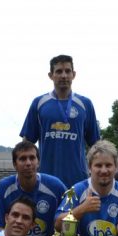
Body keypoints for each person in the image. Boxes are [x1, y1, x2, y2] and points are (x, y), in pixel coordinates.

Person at [20, 54, 100, 187]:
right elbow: (26, 144)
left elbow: (96, 145)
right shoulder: (39, 103)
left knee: (75, 209)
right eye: (59, 71)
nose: (64, 75)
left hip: (78, 179)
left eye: (68, 71)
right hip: (45, 178)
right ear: (50, 75)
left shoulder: (85, 104)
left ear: (74, 74)